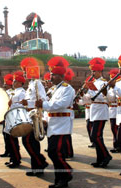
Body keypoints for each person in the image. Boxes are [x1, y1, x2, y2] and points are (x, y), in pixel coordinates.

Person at [35, 56, 74, 188]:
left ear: (61, 75)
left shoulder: (67, 88)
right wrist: (45, 119)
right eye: (51, 74)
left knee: (54, 152)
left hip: (62, 125)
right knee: (56, 153)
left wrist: (43, 104)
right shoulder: (53, 89)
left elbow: (61, 104)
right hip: (53, 124)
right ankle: (60, 181)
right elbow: (49, 107)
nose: (51, 77)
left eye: (54, 74)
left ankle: (67, 173)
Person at [20, 57, 48, 176]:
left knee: (28, 141)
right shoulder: (31, 83)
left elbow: (43, 99)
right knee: (30, 141)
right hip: (30, 115)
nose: (23, 73)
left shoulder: (37, 83)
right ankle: (38, 164)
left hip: (35, 115)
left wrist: (29, 103)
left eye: (25, 71)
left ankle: (39, 163)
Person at [83, 58, 112, 168]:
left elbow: (105, 97)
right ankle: (100, 159)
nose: (92, 73)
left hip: (101, 110)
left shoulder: (104, 82)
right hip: (94, 110)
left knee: (95, 135)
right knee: (97, 137)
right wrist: (83, 95)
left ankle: (105, 156)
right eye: (92, 71)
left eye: (94, 71)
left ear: (100, 71)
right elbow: (89, 99)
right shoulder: (93, 83)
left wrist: (96, 91)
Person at [4, 72, 23, 168]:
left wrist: (11, 104)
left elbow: (22, 105)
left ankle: (16, 160)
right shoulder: (14, 91)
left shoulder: (22, 92)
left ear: (20, 83)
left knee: (12, 140)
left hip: (14, 117)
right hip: (9, 117)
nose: (13, 83)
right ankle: (12, 158)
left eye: (15, 81)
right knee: (9, 139)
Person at [76, 75, 95, 148]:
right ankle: (92, 141)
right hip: (88, 110)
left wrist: (82, 94)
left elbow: (87, 99)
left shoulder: (93, 91)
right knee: (89, 127)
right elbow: (84, 101)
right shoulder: (89, 91)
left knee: (91, 127)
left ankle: (94, 141)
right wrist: (78, 101)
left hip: (92, 110)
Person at [107, 68, 120, 153]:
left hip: (117, 108)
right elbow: (108, 99)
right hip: (112, 109)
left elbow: (114, 97)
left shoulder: (118, 87)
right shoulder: (110, 88)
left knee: (117, 129)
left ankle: (118, 145)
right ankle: (116, 144)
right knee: (113, 128)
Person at [0, 73, 14, 158]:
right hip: (6, 115)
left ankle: (10, 151)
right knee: (5, 134)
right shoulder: (6, 92)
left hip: (9, 116)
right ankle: (7, 150)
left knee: (8, 135)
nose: (4, 85)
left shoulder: (11, 93)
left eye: (5, 84)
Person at [64, 68, 75, 158]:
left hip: (68, 112)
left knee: (67, 133)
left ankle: (69, 152)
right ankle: (67, 151)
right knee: (66, 134)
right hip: (66, 112)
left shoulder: (69, 89)